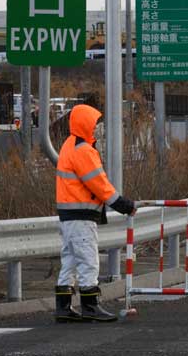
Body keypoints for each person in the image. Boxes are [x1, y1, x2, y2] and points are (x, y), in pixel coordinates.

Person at [54, 104, 136, 323]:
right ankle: (90, 306)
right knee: (88, 260)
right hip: (80, 215)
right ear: (85, 125)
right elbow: (99, 184)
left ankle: (63, 308)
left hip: (69, 215)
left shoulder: (69, 145)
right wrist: (123, 204)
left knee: (70, 261)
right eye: (95, 123)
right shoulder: (83, 151)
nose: (97, 127)